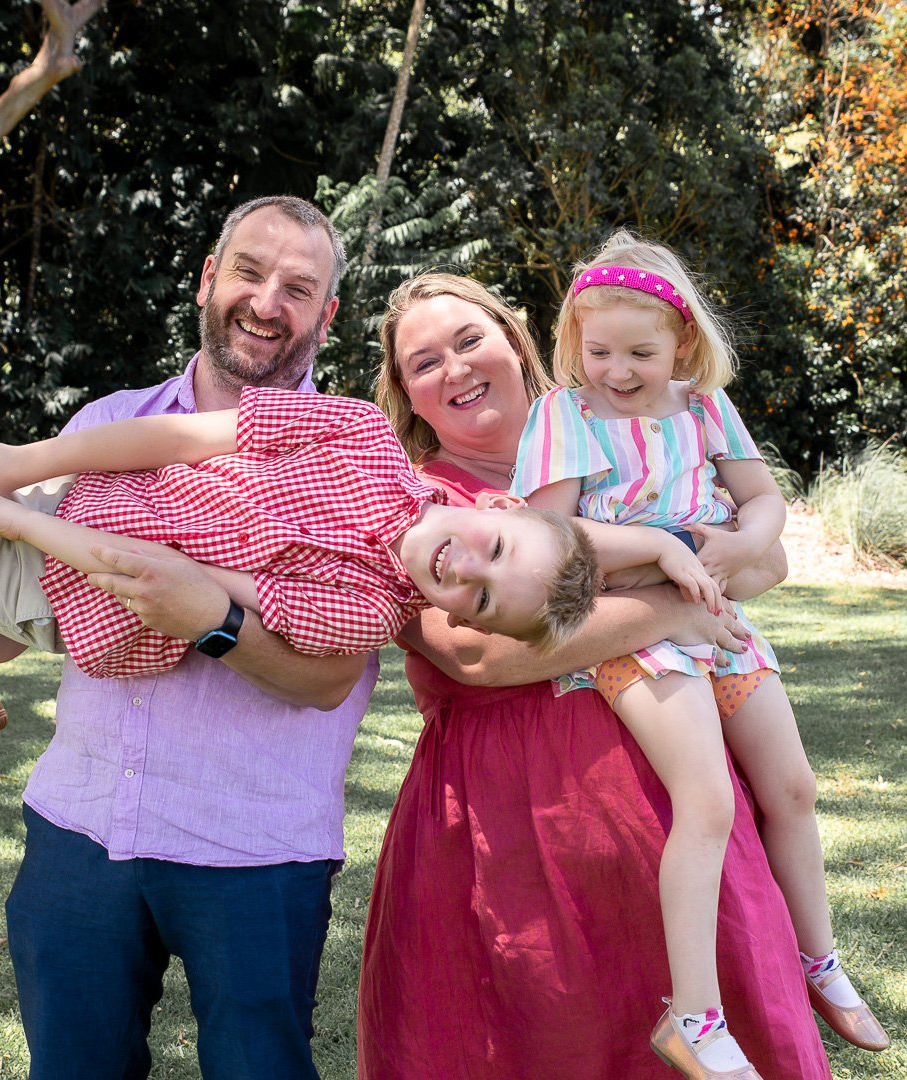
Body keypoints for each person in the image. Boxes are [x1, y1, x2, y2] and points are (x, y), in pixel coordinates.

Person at [0, 197, 370, 1079]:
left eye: (298, 287)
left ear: (328, 315)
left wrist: (214, 621)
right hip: (80, 828)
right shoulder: (102, 424)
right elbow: (8, 639)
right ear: (209, 277)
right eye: (248, 271)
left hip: (253, 847)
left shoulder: (343, 446)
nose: (267, 302)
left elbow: (327, 678)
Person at [357, 271, 837, 1079]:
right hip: (506, 820)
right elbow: (475, 653)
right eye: (424, 362)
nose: (456, 368)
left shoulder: (616, 434)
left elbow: (763, 564)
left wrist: (686, 565)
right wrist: (672, 608)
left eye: (470, 340)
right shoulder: (418, 504)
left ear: (516, 342)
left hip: (666, 795)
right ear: (407, 396)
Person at [509, 231, 887, 1078]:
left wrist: (738, 544)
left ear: (681, 340)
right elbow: (553, 530)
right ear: (576, 341)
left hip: (719, 620)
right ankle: (694, 1013)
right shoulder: (564, 414)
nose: (616, 370)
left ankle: (818, 960)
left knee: (792, 787)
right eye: (597, 349)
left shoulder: (706, 407)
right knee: (708, 801)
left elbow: (763, 503)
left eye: (639, 352)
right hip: (632, 630)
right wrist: (664, 544)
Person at [0, 386, 605, 776]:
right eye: (495, 546)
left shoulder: (359, 611)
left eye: (484, 601)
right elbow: (184, 435)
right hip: (64, 500)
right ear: (497, 503)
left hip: (63, 576)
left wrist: (2, 514)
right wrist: (20, 465)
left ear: (466, 621)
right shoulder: (362, 430)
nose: (466, 570)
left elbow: (160, 575)